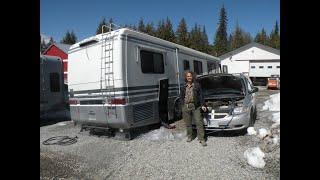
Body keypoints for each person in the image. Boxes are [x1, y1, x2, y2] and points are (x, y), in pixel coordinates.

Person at [180, 71, 207, 146]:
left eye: (190, 76)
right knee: (188, 123)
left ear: (193, 77)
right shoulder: (183, 86)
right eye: (188, 76)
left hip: (196, 106)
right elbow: (181, 96)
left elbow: (201, 96)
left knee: (199, 122)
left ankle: (201, 139)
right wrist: (182, 105)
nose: (189, 77)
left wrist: (203, 105)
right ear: (186, 77)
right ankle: (190, 136)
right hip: (186, 106)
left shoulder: (197, 85)